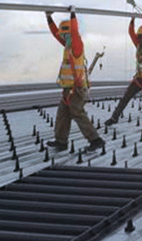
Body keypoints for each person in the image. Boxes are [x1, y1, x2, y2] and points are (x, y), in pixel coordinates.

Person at [45, 9, 105, 152]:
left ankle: (96, 140)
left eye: (65, 34)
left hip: (76, 89)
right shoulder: (68, 45)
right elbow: (56, 34)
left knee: (77, 113)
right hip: (68, 89)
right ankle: (61, 141)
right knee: (62, 115)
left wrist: (73, 15)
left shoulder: (76, 45)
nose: (62, 37)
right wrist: (48, 18)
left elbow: (75, 32)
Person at [107, 16, 142, 130]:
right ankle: (114, 118)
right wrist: (132, 20)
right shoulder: (139, 45)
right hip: (139, 78)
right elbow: (131, 33)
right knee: (126, 97)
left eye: (140, 36)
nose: (138, 39)